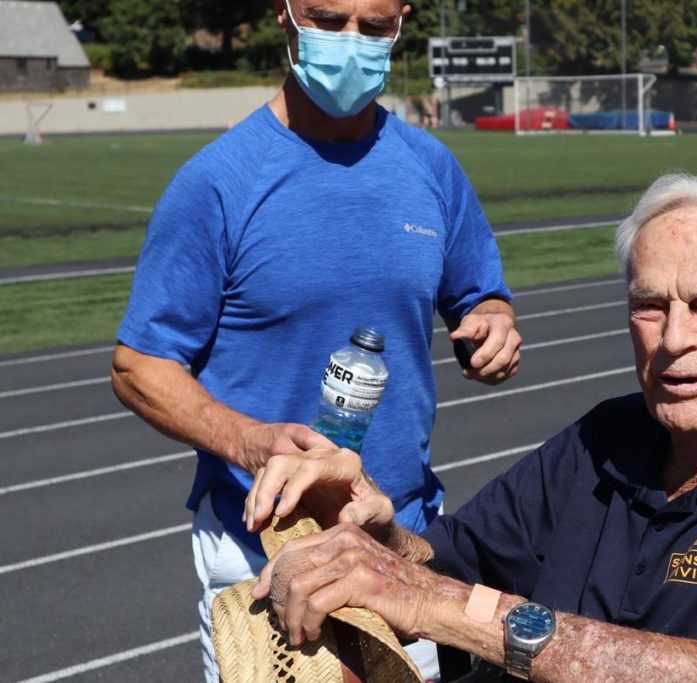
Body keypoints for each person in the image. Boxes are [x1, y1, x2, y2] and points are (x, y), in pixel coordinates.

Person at [245, 173, 697, 681]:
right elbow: (437, 565)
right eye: (650, 305)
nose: (675, 338)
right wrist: (371, 532)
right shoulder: (602, 441)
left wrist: (444, 606)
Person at [109, 1, 521, 680]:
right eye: (329, 20)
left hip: (398, 539)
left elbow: (482, 294)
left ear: (402, 22)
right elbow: (136, 366)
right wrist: (248, 439)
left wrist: (495, 323)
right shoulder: (218, 182)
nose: (351, 42)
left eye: (374, 25)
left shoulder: (432, 167)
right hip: (264, 550)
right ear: (285, 15)